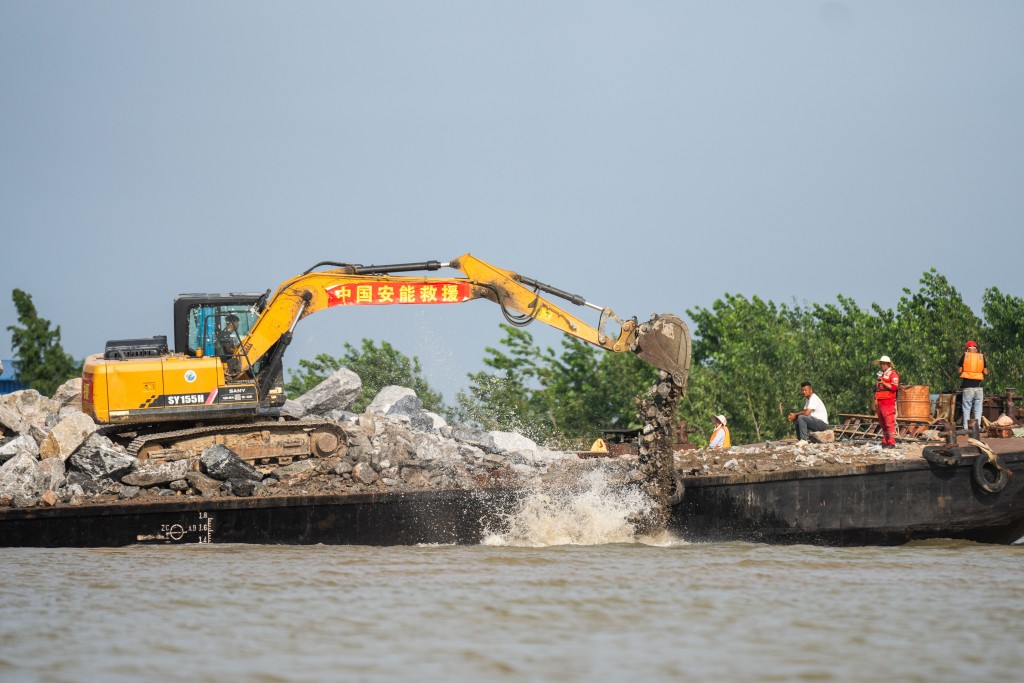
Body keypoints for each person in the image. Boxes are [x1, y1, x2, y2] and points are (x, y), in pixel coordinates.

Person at [958, 340, 988, 431]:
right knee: (978, 409)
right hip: (979, 387)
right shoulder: (981, 357)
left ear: (967, 349)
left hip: (968, 387)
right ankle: (977, 427)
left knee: (967, 408)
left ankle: (967, 428)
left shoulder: (965, 356)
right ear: (976, 349)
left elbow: (959, 371)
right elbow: (986, 372)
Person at [874, 355, 900, 448]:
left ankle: (891, 442)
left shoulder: (893, 374)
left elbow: (894, 387)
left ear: (888, 364)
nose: (882, 365)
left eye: (884, 364)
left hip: (888, 402)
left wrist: (883, 382)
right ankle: (885, 441)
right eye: (881, 364)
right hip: (880, 401)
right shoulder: (882, 374)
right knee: (882, 423)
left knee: (889, 422)